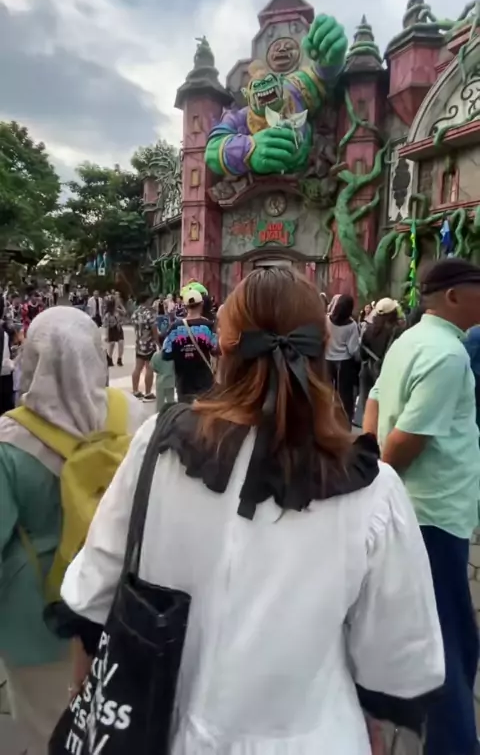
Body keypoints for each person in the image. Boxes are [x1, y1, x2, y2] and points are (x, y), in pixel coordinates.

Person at [60, 267, 444, 755]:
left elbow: (94, 585)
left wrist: (82, 692)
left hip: (159, 729)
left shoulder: (160, 445)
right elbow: (399, 660)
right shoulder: (373, 489)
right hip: (314, 739)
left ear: (224, 345)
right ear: (323, 346)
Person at [0, 306, 143, 755]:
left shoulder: (9, 439)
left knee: (49, 731)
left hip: (37, 618)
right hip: (120, 605)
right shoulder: (133, 414)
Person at [363, 258, 480, 755]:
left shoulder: (410, 340)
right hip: (434, 514)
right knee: (447, 638)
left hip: (421, 509)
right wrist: (377, 480)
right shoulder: (447, 354)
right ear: (453, 296)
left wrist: (367, 457)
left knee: (450, 631)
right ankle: (454, 743)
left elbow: (373, 399)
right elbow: (408, 438)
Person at [162, 286, 217, 403]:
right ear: (201, 304)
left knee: (185, 410)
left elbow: (166, 354)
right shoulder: (208, 326)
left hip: (183, 381)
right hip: (204, 380)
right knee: (205, 410)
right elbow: (216, 350)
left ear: (185, 306)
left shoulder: (175, 327)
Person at [356, 298, 402, 425]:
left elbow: (362, 354)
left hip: (367, 371)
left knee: (367, 407)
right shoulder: (397, 331)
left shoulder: (369, 328)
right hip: (386, 373)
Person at [325, 293, 360, 424]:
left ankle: (327, 420)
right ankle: (343, 422)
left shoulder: (326, 319)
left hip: (327, 360)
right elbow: (353, 349)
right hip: (344, 363)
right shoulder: (351, 325)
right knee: (344, 396)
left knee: (327, 392)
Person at [131, 292, 158, 401]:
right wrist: (158, 343)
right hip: (149, 344)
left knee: (138, 367)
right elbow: (154, 330)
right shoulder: (150, 313)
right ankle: (148, 392)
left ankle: (135, 390)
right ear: (147, 300)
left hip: (139, 343)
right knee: (149, 368)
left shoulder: (135, 313)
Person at [103, 296, 125, 368]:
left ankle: (119, 359)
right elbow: (106, 326)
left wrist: (120, 305)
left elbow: (124, 312)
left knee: (121, 343)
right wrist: (106, 335)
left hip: (118, 328)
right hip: (111, 329)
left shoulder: (117, 311)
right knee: (112, 344)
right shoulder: (108, 314)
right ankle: (109, 358)